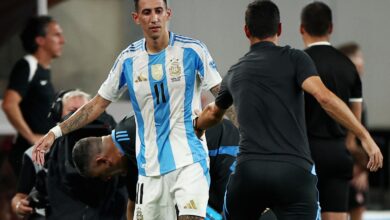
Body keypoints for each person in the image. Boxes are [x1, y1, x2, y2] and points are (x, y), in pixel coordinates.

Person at [33, 0, 223, 219]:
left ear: (168, 14)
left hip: (189, 160)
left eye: (159, 11)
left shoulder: (193, 50)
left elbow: (223, 95)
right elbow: (97, 104)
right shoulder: (128, 60)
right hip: (149, 171)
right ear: (137, 18)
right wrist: (56, 132)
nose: (154, 18)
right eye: (147, 12)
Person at [193, 1, 383, 220]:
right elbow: (324, 97)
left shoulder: (234, 72)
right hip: (293, 172)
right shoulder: (297, 59)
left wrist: (196, 126)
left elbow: (213, 114)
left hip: (249, 174)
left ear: (246, 31)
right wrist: (364, 136)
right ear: (280, 29)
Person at [72, 115, 239, 219]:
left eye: (102, 175)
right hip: (202, 162)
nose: (108, 178)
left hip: (220, 147)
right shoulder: (129, 158)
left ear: (102, 161)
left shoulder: (134, 134)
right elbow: (134, 205)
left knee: (233, 212)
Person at [300, 3, 373, 220]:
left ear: (302, 28)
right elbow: (355, 120)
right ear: (330, 28)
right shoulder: (348, 67)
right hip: (337, 154)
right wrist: (354, 145)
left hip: (304, 155)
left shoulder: (297, 63)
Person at [11, 89, 90, 220]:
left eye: (84, 111)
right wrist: (19, 205)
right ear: (58, 114)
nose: (78, 117)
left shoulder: (102, 151)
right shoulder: (34, 153)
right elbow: (20, 196)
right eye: (72, 110)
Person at [1, 15, 65, 176]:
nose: (62, 40)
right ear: (40, 40)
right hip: (26, 155)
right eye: (56, 35)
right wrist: (31, 137)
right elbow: (9, 104)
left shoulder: (44, 70)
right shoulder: (27, 65)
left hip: (40, 155)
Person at [339, 42, 369, 220]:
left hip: (355, 167)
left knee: (357, 208)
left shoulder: (360, 101)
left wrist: (363, 169)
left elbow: (362, 138)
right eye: (356, 65)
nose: (361, 67)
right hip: (338, 164)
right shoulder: (335, 98)